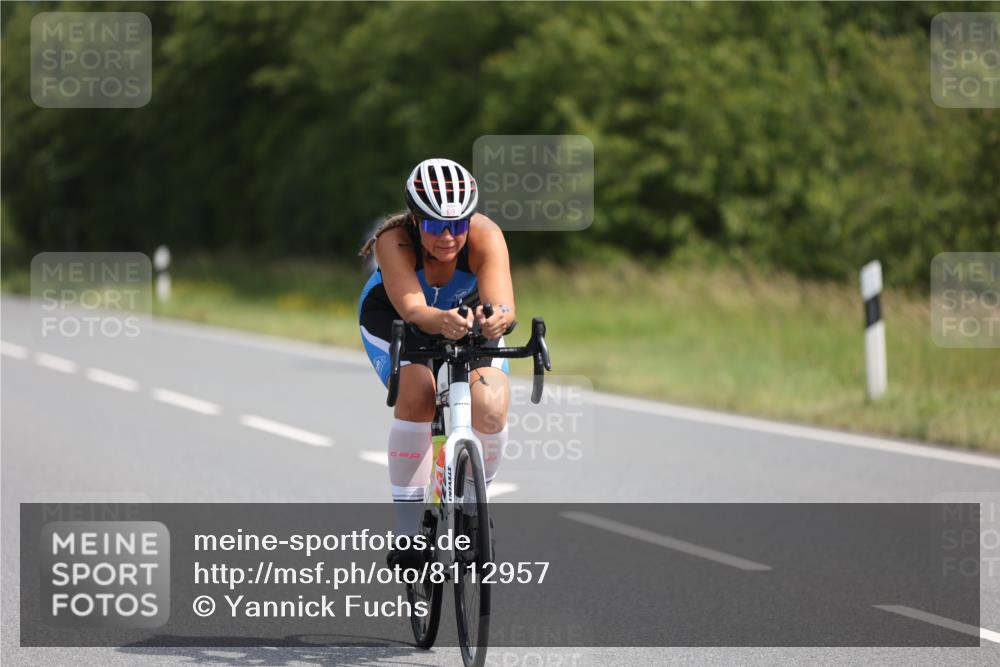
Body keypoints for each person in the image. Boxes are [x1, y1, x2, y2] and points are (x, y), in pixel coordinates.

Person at [358, 158, 515, 568]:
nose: (448, 236)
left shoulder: (485, 235)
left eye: (458, 224)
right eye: (435, 225)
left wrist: (496, 318)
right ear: (415, 219)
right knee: (418, 393)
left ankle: (475, 511)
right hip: (397, 317)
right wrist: (441, 320)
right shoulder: (393, 240)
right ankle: (408, 534)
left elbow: (503, 304)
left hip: (467, 318)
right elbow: (414, 310)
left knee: (490, 404)